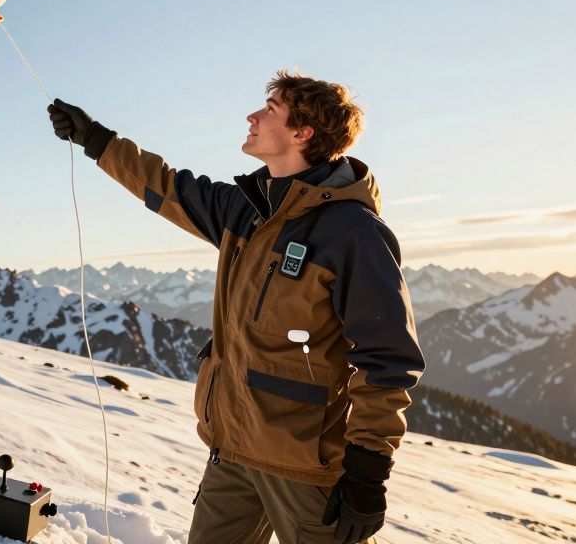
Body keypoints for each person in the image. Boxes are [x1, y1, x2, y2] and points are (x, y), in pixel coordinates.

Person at [47, 71, 425, 544]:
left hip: (305, 466)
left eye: (269, 110)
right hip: (232, 450)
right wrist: (96, 140)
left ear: (302, 132)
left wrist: (368, 472)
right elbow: (166, 186)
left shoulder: (352, 232)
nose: (253, 116)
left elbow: (389, 361)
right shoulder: (246, 209)